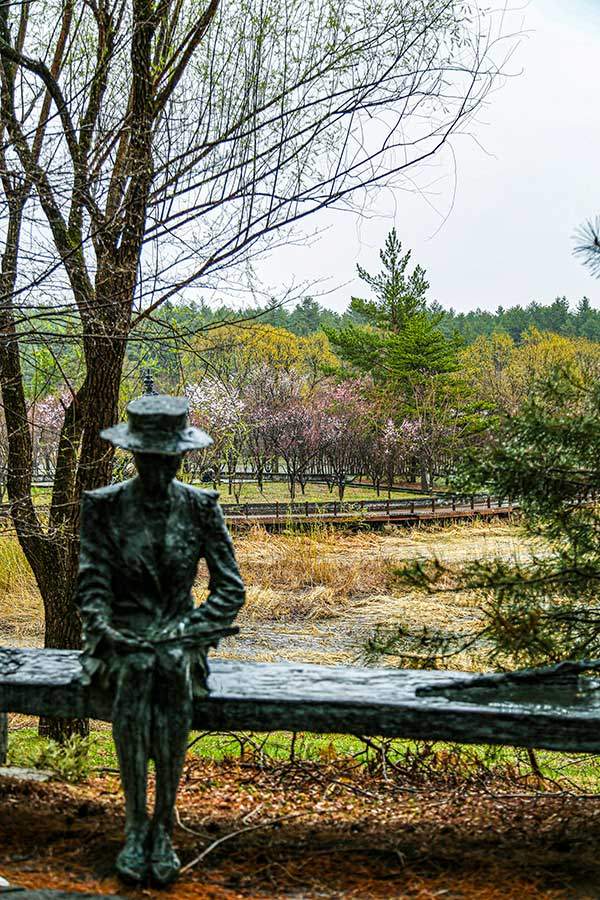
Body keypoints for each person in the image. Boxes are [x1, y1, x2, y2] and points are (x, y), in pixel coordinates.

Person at [77, 395, 245, 885]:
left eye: (166, 460)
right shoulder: (103, 507)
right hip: (121, 634)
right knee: (137, 671)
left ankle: (163, 825)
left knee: (168, 668)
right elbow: (93, 581)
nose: (158, 469)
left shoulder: (200, 507)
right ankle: (134, 824)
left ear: (179, 457)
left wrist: (190, 629)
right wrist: (103, 627)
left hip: (179, 632)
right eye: (148, 460)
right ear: (135, 456)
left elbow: (229, 587)